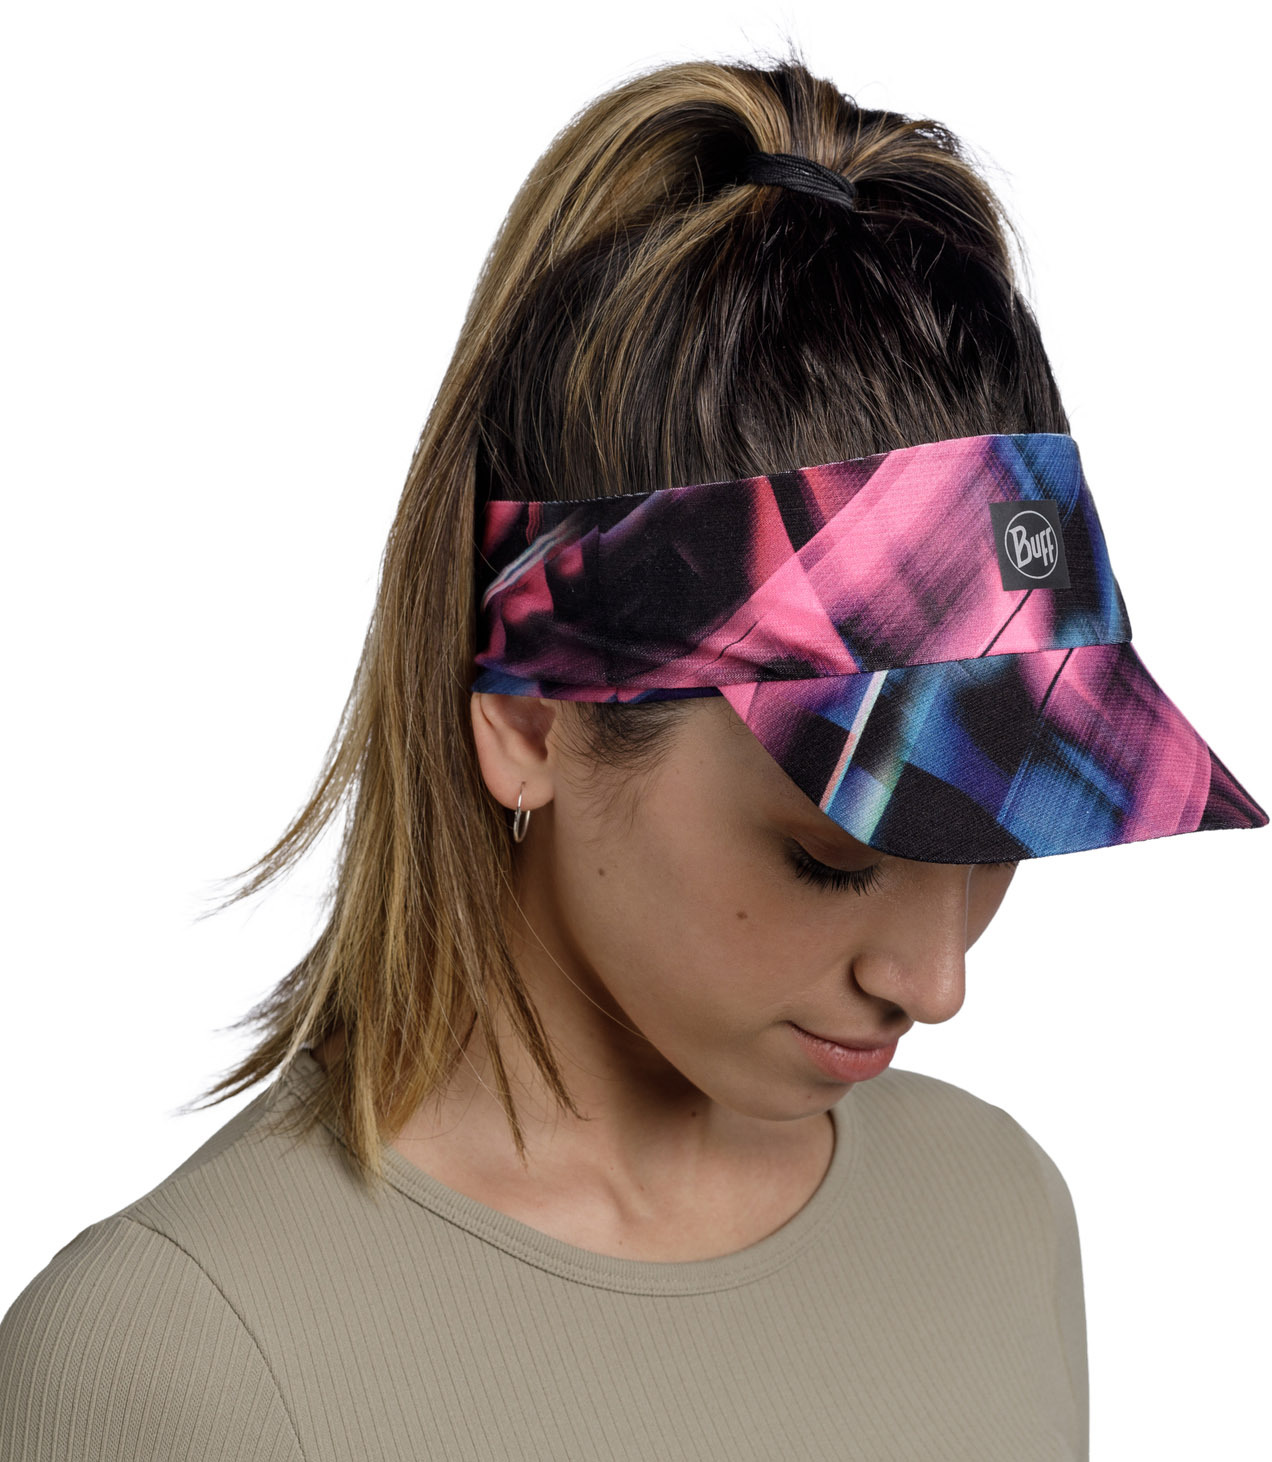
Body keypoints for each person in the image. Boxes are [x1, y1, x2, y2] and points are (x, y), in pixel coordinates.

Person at [1, 50, 1265, 1462]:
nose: (937, 980)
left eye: (1002, 835)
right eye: (830, 857)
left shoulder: (999, 1215)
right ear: (527, 715)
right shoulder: (185, 1357)